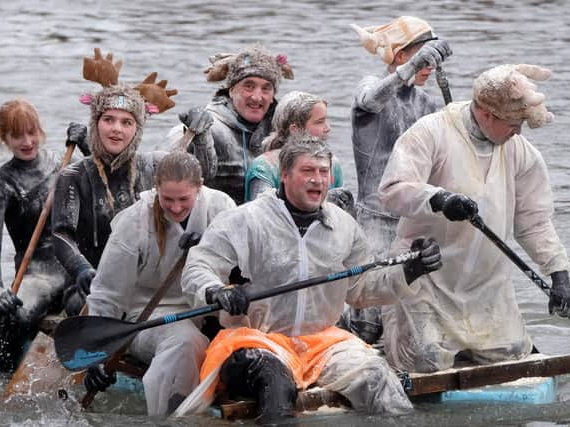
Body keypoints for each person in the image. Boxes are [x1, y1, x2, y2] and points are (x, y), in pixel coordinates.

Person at [178, 136, 442, 422]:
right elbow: (198, 266)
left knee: (380, 380)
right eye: (307, 171)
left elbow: (363, 290)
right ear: (285, 175)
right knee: (276, 385)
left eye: (323, 171)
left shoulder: (343, 226)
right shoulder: (244, 220)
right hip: (256, 340)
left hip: (322, 342)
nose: (317, 180)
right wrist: (215, 290)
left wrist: (410, 270)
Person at [377, 63, 570, 373]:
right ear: (485, 114)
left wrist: (559, 275)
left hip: (487, 285)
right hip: (428, 278)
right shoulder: (430, 132)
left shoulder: (519, 150)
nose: (518, 131)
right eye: (513, 122)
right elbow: (392, 190)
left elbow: (534, 221)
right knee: (426, 360)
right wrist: (439, 199)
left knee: (512, 354)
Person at [83, 151, 236, 416]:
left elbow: (245, 263)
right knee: (186, 341)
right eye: (167, 200)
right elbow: (107, 292)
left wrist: (210, 245)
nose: (176, 208)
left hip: (210, 306)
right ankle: (171, 416)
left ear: (199, 187)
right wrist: (95, 354)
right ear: (156, 188)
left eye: (184, 199)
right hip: (150, 316)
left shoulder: (221, 207)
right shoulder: (134, 221)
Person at [53, 48, 177, 316]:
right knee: (79, 305)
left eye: (126, 122)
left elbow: (196, 182)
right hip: (91, 285)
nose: (116, 129)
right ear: (96, 124)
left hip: (145, 287)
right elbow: (62, 235)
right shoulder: (73, 176)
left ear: (137, 129)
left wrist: (202, 139)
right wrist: (81, 268)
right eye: (108, 120)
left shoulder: (155, 166)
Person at [349, 16, 452, 256]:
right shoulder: (370, 84)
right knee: (373, 288)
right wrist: (413, 66)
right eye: (423, 59)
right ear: (401, 56)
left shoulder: (426, 103)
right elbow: (371, 101)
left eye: (431, 61)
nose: (430, 67)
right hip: (375, 220)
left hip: (415, 220)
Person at [0, 98, 89, 328]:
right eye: (17, 136)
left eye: (32, 132)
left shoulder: (63, 162)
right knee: (15, 318)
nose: (27, 142)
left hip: (76, 264)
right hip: (38, 276)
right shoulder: (2, 184)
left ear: (40, 130)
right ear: (4, 138)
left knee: (93, 303)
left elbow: (101, 182)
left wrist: (87, 145)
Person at [164, 46, 294, 205]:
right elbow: (167, 168)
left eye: (266, 88)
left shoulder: (284, 129)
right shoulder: (207, 127)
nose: (257, 97)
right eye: (249, 86)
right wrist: (196, 139)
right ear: (231, 90)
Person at [244, 90, 345, 202]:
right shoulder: (265, 167)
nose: (327, 128)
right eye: (319, 122)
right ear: (295, 130)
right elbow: (259, 213)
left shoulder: (333, 164)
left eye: (326, 120)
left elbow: (337, 212)